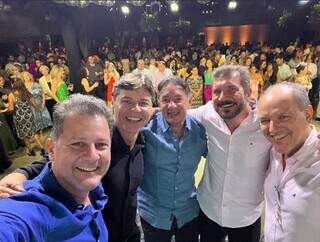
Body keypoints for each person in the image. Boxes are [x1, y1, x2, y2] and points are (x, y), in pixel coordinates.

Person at [0, 74, 156, 242]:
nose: (136, 109)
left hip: (126, 233)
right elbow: (53, 160)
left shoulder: (144, 141)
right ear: (113, 102)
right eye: (127, 101)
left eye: (143, 103)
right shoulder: (99, 138)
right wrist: (18, 175)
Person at [0, 94, 113, 241]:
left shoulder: (92, 188)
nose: (93, 156)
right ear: (51, 149)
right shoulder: (28, 209)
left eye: (101, 145)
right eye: (78, 144)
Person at [189, 65, 271, 242]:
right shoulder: (206, 113)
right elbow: (179, 115)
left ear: (249, 91)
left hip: (246, 216)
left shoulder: (266, 123)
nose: (222, 97)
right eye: (217, 91)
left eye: (232, 89)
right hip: (209, 210)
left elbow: (294, 131)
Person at [138, 76, 207, 242]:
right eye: (165, 100)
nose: (172, 106)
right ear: (158, 101)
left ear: (189, 100)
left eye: (178, 99)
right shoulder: (145, 130)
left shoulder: (200, 131)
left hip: (188, 211)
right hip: (154, 214)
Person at [258, 82, 320, 242]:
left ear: (308, 114)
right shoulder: (271, 152)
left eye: (283, 117)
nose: (272, 129)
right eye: (265, 120)